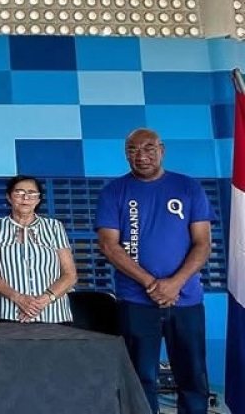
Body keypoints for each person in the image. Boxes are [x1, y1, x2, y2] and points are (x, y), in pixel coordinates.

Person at [96, 128, 213, 414]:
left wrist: (175, 283)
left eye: (149, 148)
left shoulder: (188, 188)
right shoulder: (114, 191)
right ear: (126, 155)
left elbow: (203, 242)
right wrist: (153, 284)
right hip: (136, 302)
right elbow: (110, 246)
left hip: (186, 301)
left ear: (162, 150)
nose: (142, 156)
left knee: (193, 376)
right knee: (140, 377)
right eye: (133, 150)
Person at [0, 175, 77, 323]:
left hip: (53, 314)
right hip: (8, 314)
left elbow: (70, 274)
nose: (25, 198)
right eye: (19, 193)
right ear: (9, 197)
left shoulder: (54, 227)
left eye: (32, 194)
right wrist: (19, 298)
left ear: (38, 200)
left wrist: (42, 302)